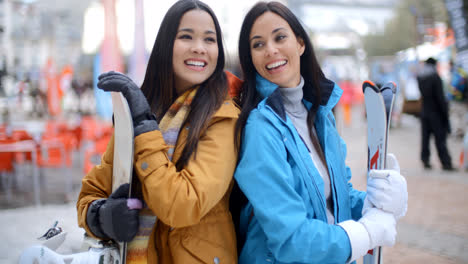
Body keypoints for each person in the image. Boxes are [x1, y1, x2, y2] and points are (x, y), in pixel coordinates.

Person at [233, 2, 408, 263]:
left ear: (300, 44)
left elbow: (336, 199)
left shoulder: (319, 116)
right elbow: (290, 240)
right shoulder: (261, 129)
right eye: (258, 44)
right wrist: (365, 233)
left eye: (280, 37)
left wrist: (377, 199)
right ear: (251, 58)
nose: (271, 50)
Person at [76, 0, 241, 263]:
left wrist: (144, 126)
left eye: (210, 40)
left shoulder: (224, 117)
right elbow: (91, 193)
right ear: (166, 45)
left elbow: (182, 206)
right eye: (186, 36)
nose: (199, 48)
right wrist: (102, 217)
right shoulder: (139, 113)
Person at [417, 57, 454, 170]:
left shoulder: (420, 77)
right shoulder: (435, 77)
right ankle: (446, 163)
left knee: (425, 139)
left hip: (424, 112)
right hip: (436, 114)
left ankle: (425, 160)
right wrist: (445, 113)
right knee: (440, 139)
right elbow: (440, 97)